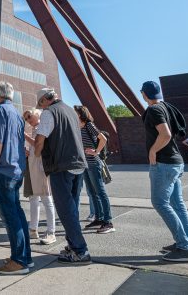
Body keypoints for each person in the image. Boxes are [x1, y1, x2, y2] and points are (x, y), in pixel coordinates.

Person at [141, 80, 188, 262]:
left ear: (144, 94)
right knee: (177, 204)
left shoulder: (154, 110)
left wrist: (153, 151)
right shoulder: (166, 107)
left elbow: (165, 134)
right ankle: (185, 242)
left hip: (164, 163)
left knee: (159, 202)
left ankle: (185, 248)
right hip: (175, 162)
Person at [34, 87, 91, 265]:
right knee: (72, 208)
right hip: (78, 164)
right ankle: (73, 245)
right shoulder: (71, 111)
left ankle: (80, 251)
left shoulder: (48, 112)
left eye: (41, 103)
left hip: (61, 166)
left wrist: (37, 155)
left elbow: (40, 138)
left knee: (66, 210)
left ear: (45, 100)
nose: (41, 107)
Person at [0, 81, 31, 275]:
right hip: (16, 170)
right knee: (17, 214)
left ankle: (18, 262)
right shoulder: (17, 115)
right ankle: (25, 257)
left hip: (1, 171)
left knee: (10, 217)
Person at [74, 105, 115, 234]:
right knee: (92, 192)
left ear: (80, 114)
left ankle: (108, 222)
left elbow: (103, 139)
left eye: (75, 112)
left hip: (93, 163)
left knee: (100, 192)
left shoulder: (88, 125)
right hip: (85, 164)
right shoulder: (77, 127)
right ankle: (99, 218)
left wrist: (96, 151)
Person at [22, 108, 57, 245]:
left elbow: (38, 145)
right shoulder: (36, 128)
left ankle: (51, 231)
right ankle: (33, 229)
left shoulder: (42, 127)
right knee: (34, 197)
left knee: (45, 198)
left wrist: (25, 137)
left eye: (29, 116)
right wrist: (27, 152)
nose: (28, 119)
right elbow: (33, 147)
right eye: (26, 118)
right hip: (32, 166)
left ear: (37, 114)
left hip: (41, 167)